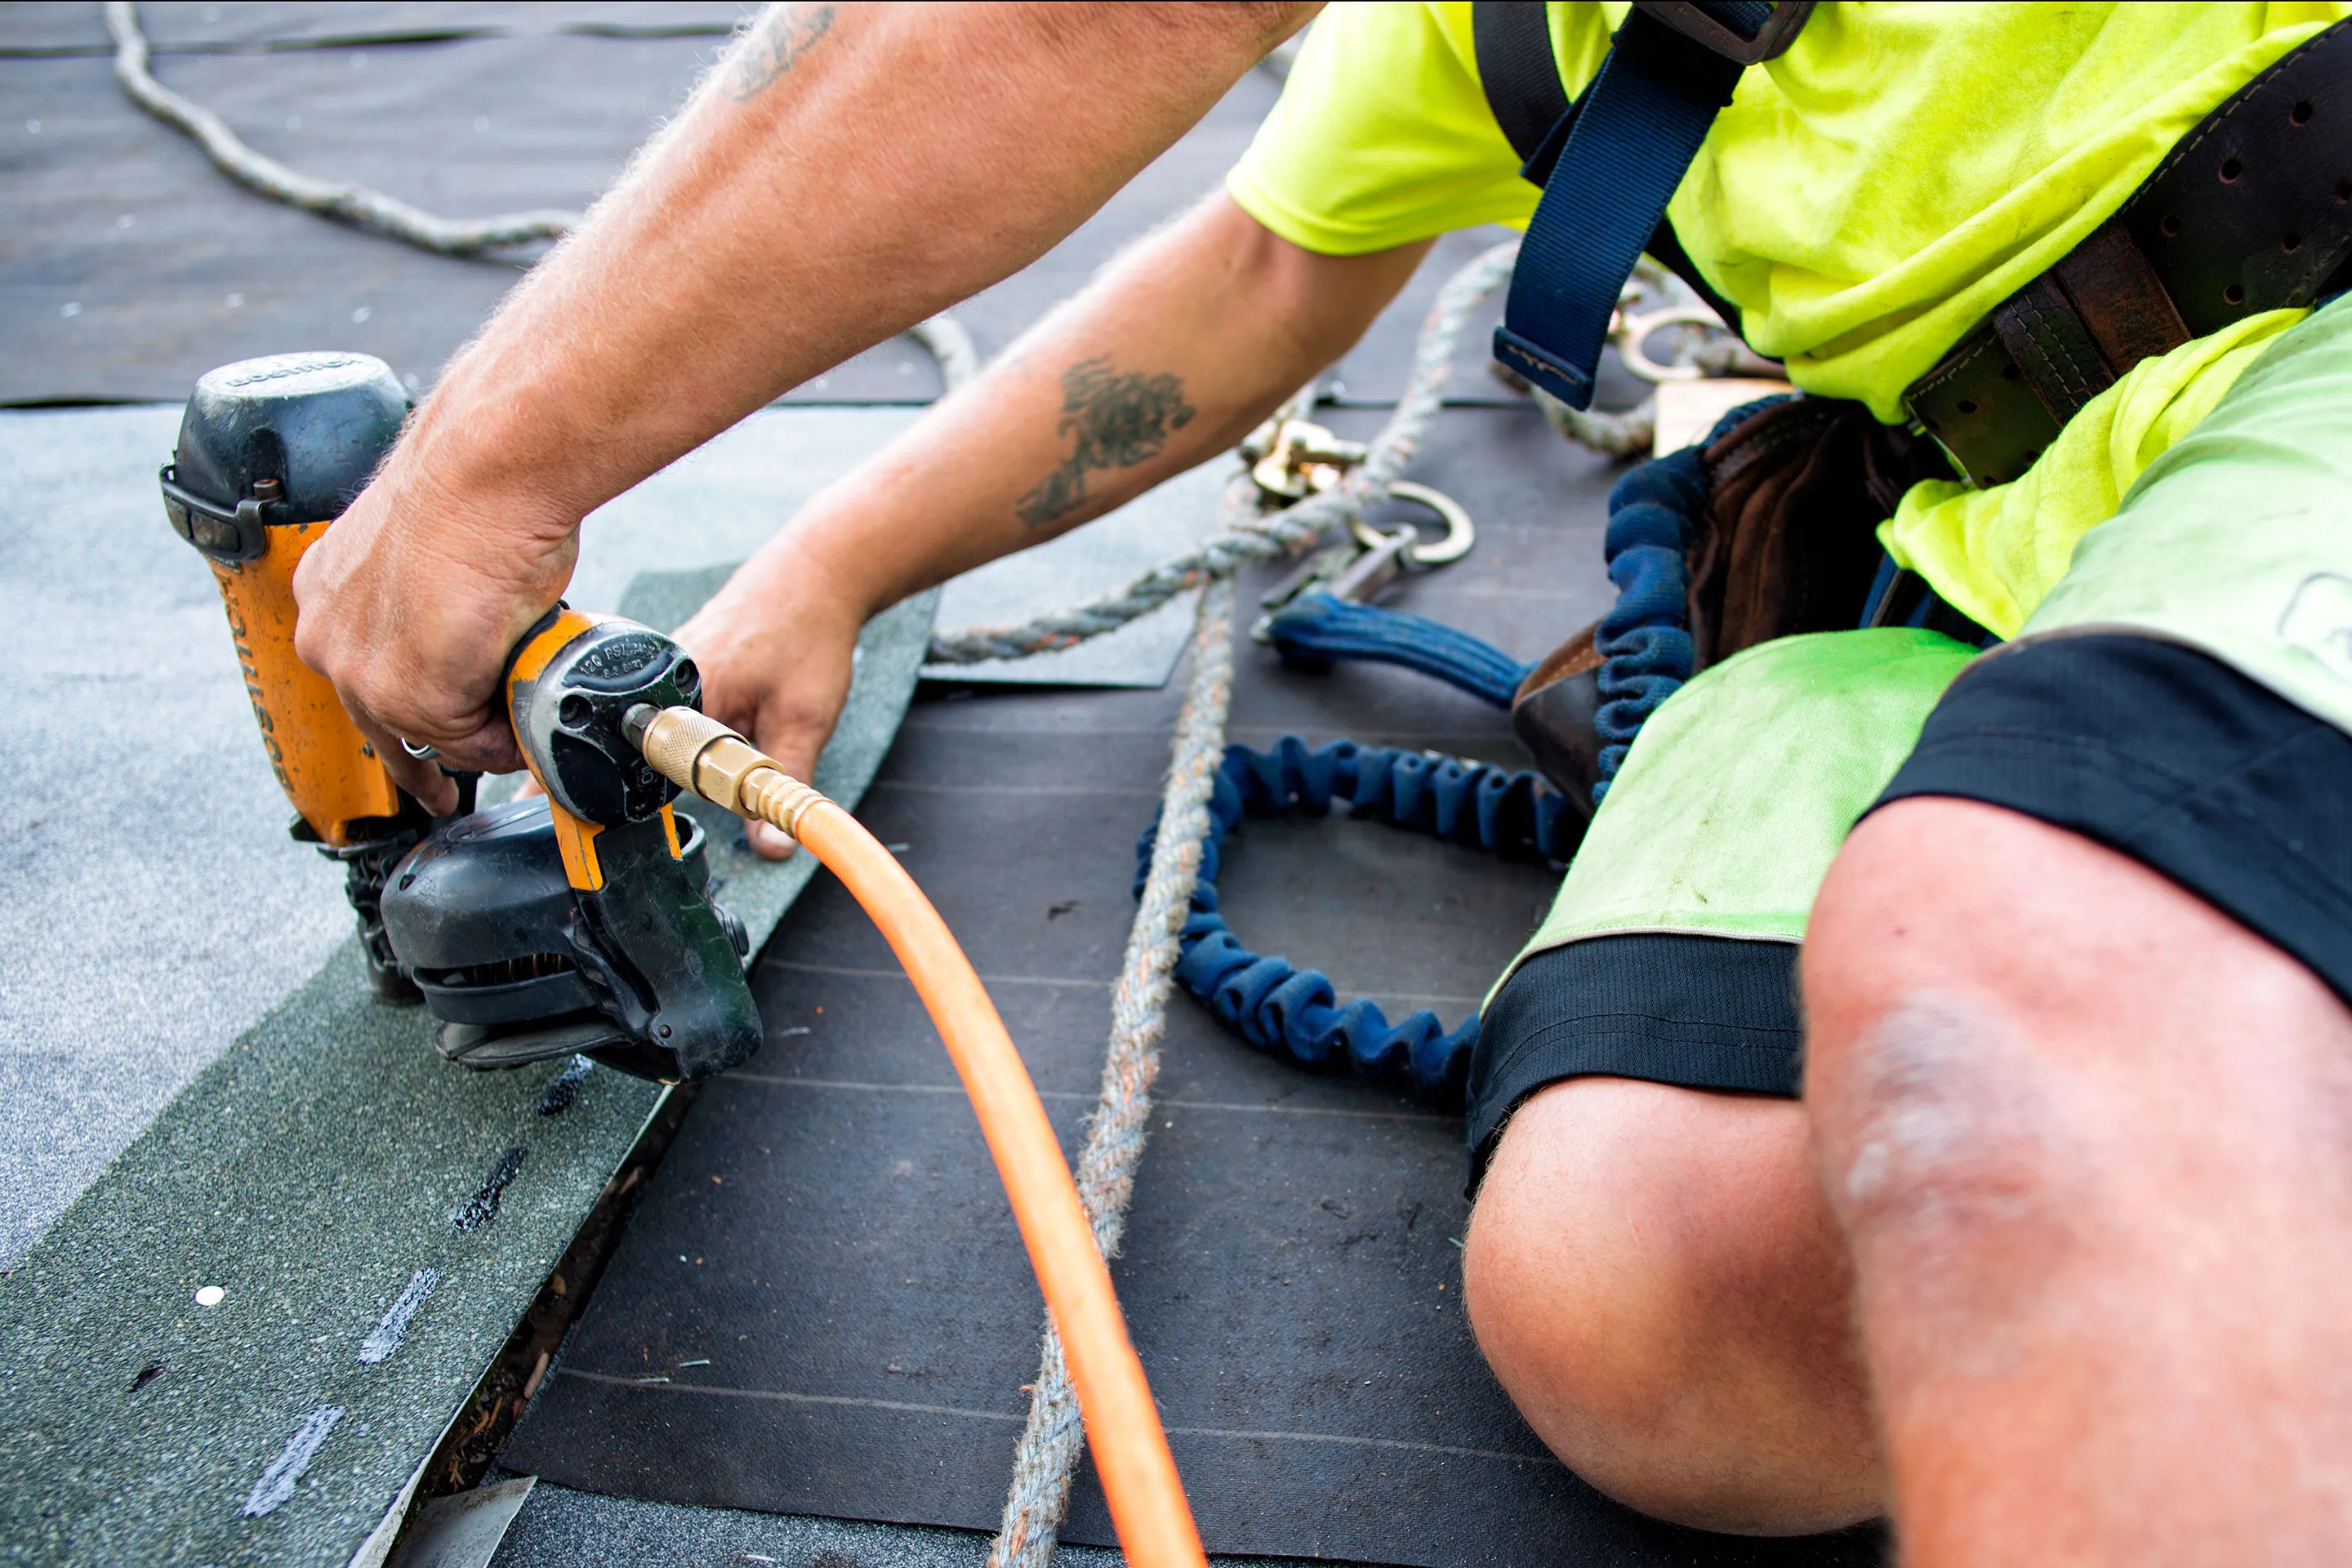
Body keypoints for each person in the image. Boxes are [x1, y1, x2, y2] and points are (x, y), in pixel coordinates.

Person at [294, 2, 2352, 1557]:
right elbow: (1273, 267)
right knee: (1645, 1306)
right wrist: (834, 565)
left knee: (2038, 983)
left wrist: (482, 471)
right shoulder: (1501, 30)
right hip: (1988, 537)